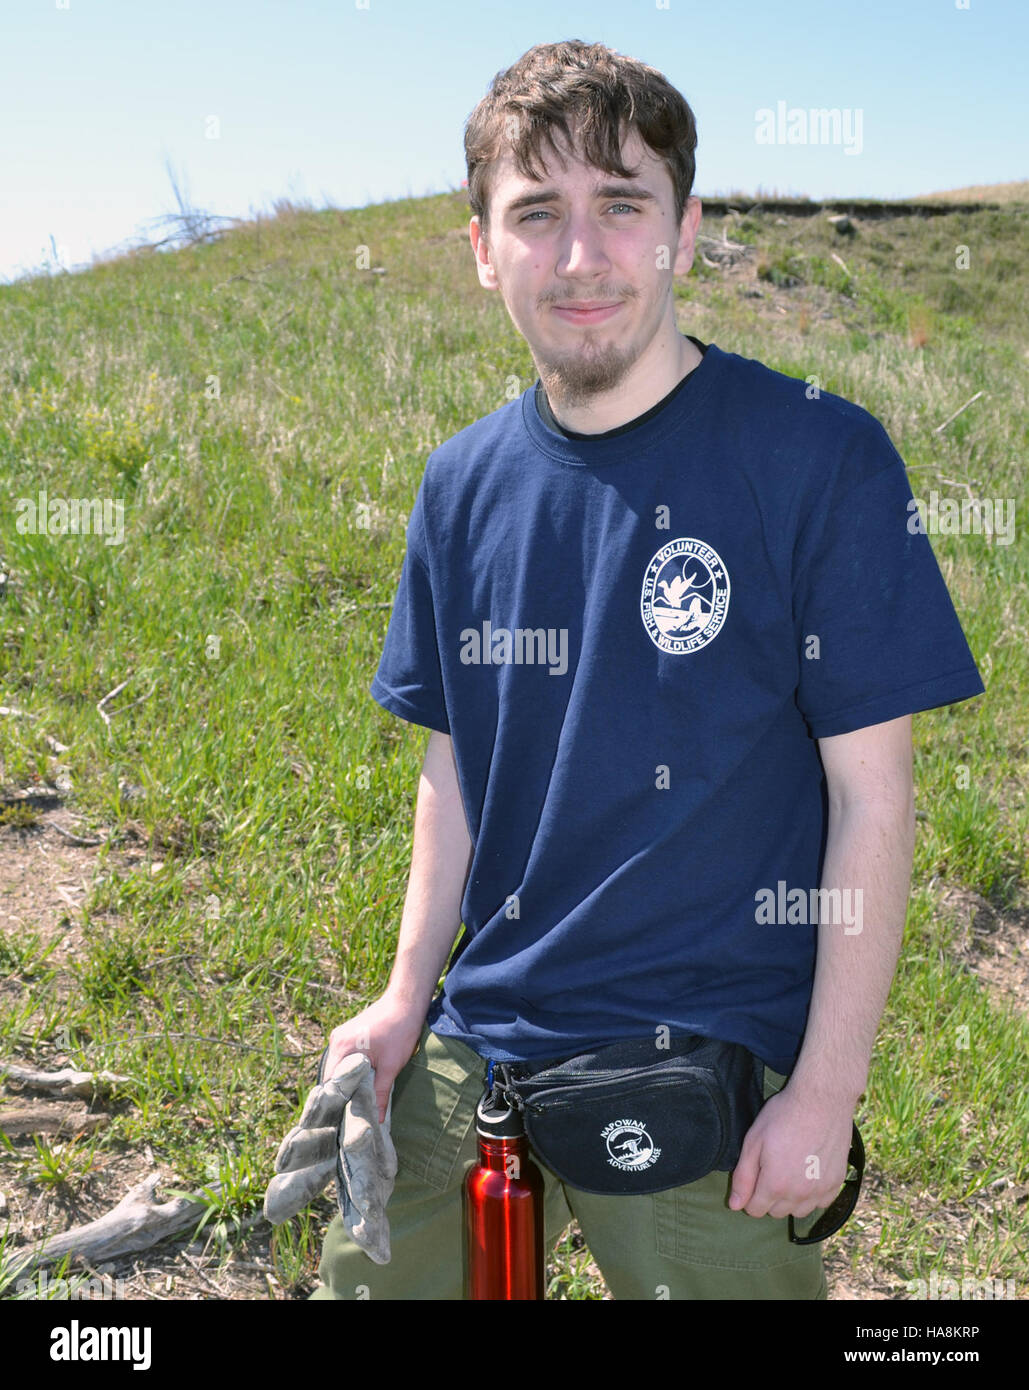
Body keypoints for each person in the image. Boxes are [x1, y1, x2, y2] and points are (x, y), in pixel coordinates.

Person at [309, 39, 985, 1300]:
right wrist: (406, 997)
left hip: (708, 1075)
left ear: (681, 228)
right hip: (483, 1041)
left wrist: (825, 1094)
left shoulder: (817, 457)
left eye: (622, 205)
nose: (580, 257)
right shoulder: (460, 485)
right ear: (479, 250)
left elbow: (873, 800)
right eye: (536, 215)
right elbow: (454, 768)